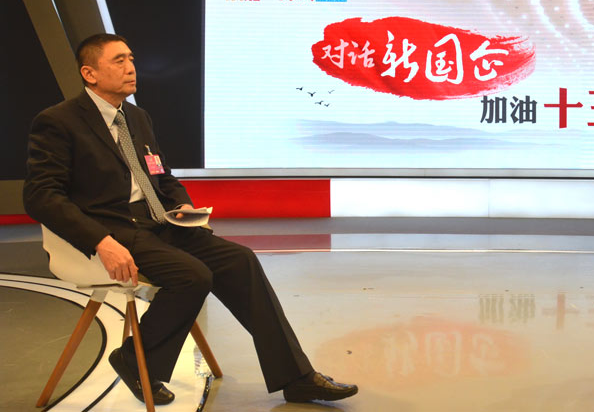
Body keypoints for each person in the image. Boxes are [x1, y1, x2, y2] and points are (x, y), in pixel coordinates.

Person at [23, 33, 358, 406]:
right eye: (119, 60)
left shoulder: (137, 117)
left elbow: (161, 176)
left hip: (160, 223)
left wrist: (183, 206)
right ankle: (136, 360)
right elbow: (41, 196)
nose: (131, 67)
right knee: (192, 275)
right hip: (114, 229)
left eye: (131, 58)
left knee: (240, 260)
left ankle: (296, 377)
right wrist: (101, 241)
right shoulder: (58, 121)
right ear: (90, 73)